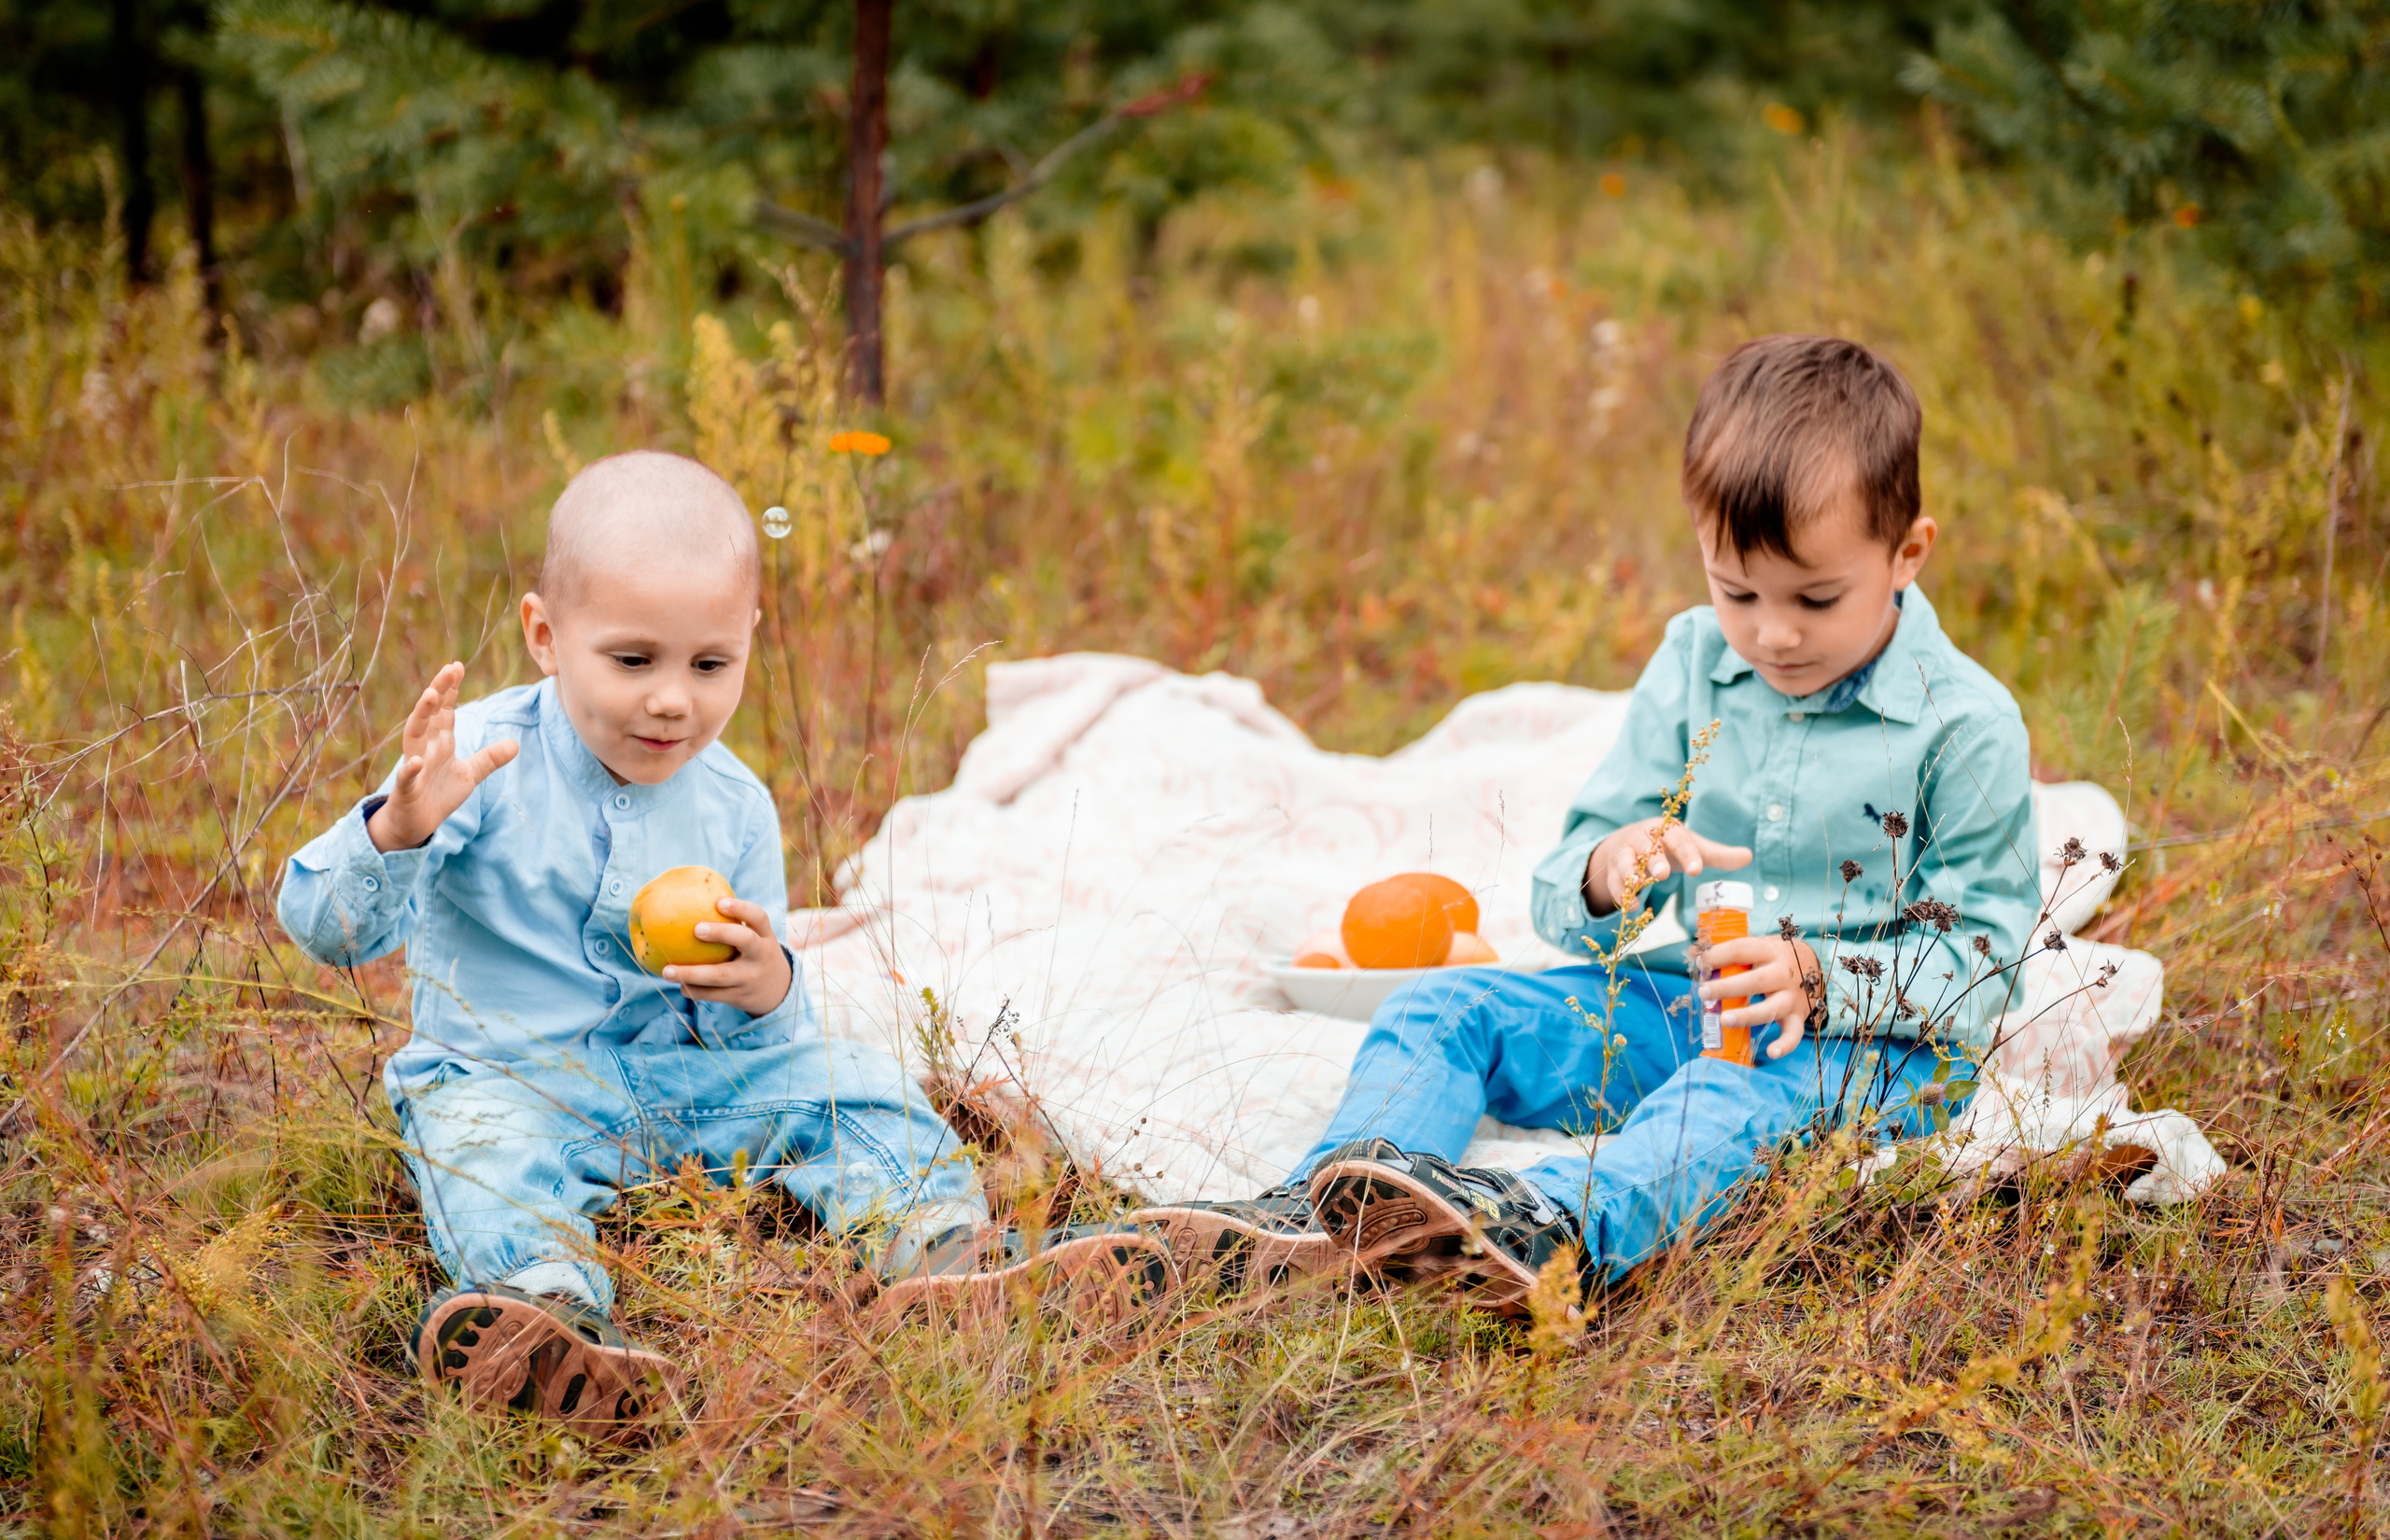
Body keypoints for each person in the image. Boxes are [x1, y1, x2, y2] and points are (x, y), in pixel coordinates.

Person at [1136, 335, 2041, 1310]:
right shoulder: (1696, 661)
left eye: (1815, 598)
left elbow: (1988, 957)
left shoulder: (1964, 722)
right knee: (1443, 1009)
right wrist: (1612, 866)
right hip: (1687, 1004)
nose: (1772, 632)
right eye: (1736, 591)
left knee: (1719, 1103)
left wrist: (1819, 978)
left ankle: (1542, 1228)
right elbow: (1570, 870)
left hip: (1868, 1053)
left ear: (1906, 553)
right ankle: (1326, 1218)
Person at [278, 452, 1171, 1429]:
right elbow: (329, 932)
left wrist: (768, 983)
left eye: (709, 665)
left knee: (853, 1082)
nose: (673, 700)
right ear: (545, 635)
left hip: (682, 1094)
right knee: (484, 1151)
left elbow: (766, 1041)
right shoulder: (473, 764)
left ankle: (941, 1254)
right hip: (508, 1076)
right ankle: (544, 1310)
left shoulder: (736, 804)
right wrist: (394, 830)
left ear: (749, 639)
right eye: (632, 660)